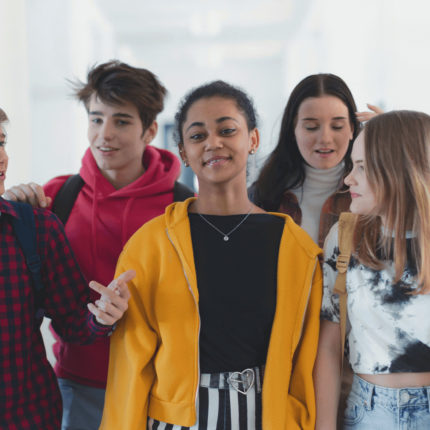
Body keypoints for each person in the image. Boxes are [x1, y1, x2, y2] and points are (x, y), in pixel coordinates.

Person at [99, 80, 322, 430]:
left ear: (253, 140)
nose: (213, 143)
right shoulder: (151, 244)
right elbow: (130, 362)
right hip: (176, 421)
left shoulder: (295, 247)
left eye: (227, 130)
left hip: (268, 418)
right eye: (198, 135)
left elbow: (305, 362)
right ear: (184, 152)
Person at [4, 61, 192, 430]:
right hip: (80, 386)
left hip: (163, 386)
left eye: (121, 121)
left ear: (150, 129)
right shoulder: (55, 198)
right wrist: (12, 204)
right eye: (96, 119)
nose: (105, 134)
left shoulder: (182, 208)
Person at [0, 107, 132, 429]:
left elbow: (74, 322)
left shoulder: (34, 227)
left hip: (27, 418)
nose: (1, 156)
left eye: (1, 142)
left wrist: (102, 315)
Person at [314, 110, 430, 429]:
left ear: (400, 168)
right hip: (369, 411)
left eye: (362, 167)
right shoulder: (345, 237)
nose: (349, 178)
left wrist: (402, 130)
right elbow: (329, 342)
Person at [250, 73, 381, 247]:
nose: (325, 138)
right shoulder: (262, 195)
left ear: (352, 129)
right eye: (311, 127)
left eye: (337, 126)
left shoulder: (378, 192)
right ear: (293, 130)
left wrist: (392, 150)